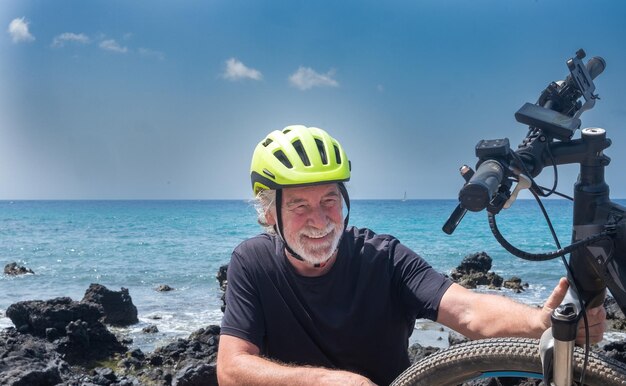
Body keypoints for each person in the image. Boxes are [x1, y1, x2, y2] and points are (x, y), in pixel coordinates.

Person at [216, 125, 606, 386]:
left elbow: (468, 310)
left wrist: (540, 323)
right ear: (269, 213)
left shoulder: (382, 257)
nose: (319, 220)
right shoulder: (253, 262)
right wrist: (330, 381)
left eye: (330, 200)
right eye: (300, 206)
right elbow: (231, 369)